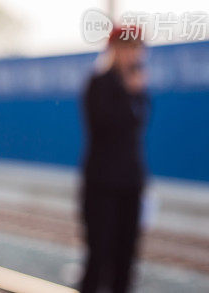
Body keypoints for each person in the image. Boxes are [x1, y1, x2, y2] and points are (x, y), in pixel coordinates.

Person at [78, 24, 150, 293]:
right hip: (102, 184)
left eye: (137, 49)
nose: (134, 55)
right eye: (128, 48)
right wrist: (128, 92)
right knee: (99, 256)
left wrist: (135, 91)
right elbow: (104, 124)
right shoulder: (99, 83)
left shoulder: (138, 85)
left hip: (131, 183)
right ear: (114, 50)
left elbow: (138, 126)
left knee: (126, 258)